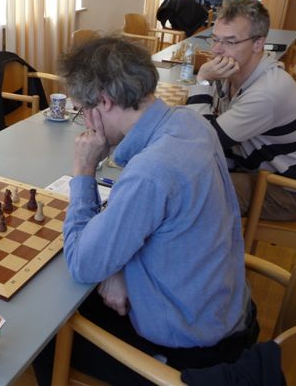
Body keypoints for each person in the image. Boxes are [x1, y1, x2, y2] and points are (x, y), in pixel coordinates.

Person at [32, 36, 258, 385]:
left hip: (193, 353)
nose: (85, 121)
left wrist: (84, 171)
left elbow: (81, 263)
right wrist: (117, 271)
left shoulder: (151, 172)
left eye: (82, 110)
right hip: (226, 311)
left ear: (104, 102)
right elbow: (158, 226)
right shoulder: (191, 123)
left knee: (45, 333)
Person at [186, 0, 296, 221]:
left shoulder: (267, 91)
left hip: (289, 189)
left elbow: (203, 139)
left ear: (258, 43)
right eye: (215, 39)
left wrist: (203, 80)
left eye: (230, 42)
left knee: (190, 193)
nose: (216, 50)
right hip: (254, 169)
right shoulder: (231, 71)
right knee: (183, 176)